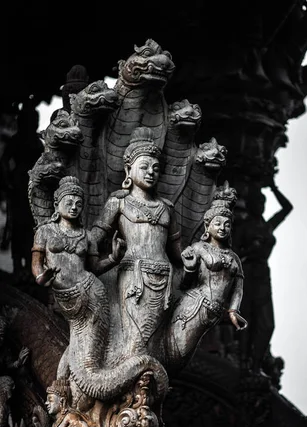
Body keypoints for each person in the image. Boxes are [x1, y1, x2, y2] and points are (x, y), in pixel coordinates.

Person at [31, 175, 125, 402]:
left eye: (78, 204)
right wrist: (42, 278)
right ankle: (75, 385)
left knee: (91, 341)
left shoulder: (88, 236)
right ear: (57, 205)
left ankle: (94, 380)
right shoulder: (45, 231)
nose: (74, 207)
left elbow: (94, 268)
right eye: (68, 202)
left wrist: (113, 257)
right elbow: (37, 265)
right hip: (65, 295)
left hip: (92, 290)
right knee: (77, 337)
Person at [91, 126, 181, 357]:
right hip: (134, 279)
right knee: (137, 340)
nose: (151, 172)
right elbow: (95, 237)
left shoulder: (166, 208)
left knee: (155, 342)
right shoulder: (119, 202)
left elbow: (177, 253)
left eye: (156, 168)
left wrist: (197, 257)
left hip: (165, 279)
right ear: (128, 170)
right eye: (144, 167)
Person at [166, 189, 247, 370]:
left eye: (227, 225)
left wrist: (233, 310)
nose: (222, 228)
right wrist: (190, 267)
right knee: (178, 351)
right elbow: (184, 283)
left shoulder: (234, 257)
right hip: (195, 305)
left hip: (215, 313)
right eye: (217, 223)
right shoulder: (199, 248)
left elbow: (238, 287)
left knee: (185, 356)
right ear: (207, 227)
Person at [233, 181, 293, 375]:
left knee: (267, 323)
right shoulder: (243, 227)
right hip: (248, 271)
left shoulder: (267, 226)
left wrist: (274, 188)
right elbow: (233, 253)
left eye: (263, 202)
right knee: (248, 317)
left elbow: (287, 208)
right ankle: (244, 361)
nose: (261, 206)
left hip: (263, 273)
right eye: (257, 202)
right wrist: (251, 250)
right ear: (250, 205)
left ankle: (256, 362)